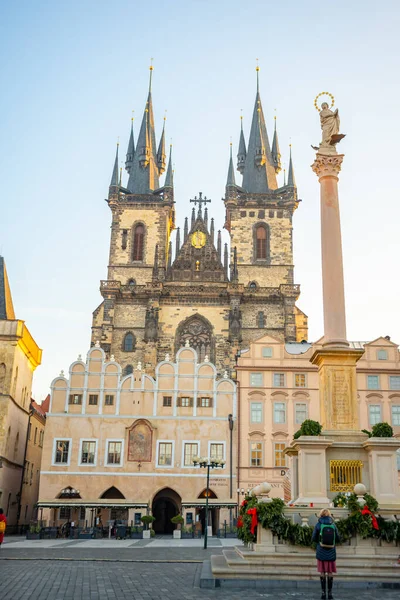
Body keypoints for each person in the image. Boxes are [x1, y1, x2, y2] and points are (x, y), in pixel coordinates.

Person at [311, 508, 340, 600]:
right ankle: (330, 593)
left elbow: (313, 538)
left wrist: (319, 542)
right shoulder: (333, 525)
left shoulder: (318, 524)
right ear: (329, 515)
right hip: (331, 551)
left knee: (322, 572)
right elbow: (338, 538)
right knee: (330, 572)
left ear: (321, 515)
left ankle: (323, 593)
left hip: (321, 551)